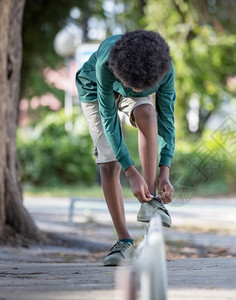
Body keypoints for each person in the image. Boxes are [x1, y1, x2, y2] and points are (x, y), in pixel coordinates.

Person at [75, 29, 176, 266]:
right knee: (109, 162)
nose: (139, 93)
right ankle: (123, 241)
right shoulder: (106, 64)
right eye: (135, 88)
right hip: (95, 88)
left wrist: (165, 171)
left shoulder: (163, 69)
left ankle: (150, 201)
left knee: (147, 113)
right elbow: (109, 121)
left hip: (135, 77)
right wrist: (131, 172)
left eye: (144, 89)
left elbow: (166, 120)